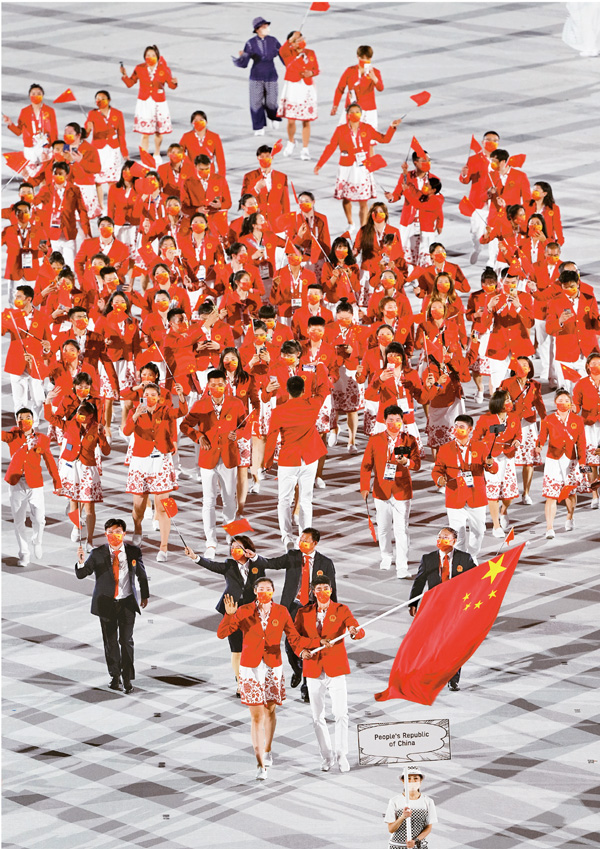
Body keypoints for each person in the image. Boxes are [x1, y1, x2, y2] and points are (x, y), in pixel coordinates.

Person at [217, 577, 316, 780]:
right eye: (261, 589)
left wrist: (303, 651)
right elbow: (222, 633)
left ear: (273, 591)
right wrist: (229, 615)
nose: (264, 592)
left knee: (270, 710)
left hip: (272, 666)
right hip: (250, 668)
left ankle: (268, 749)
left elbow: (293, 638)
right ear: (255, 591)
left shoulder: (281, 611)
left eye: (268, 589)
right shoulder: (243, 611)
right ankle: (260, 762)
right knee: (256, 717)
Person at [294, 575, 363, 771]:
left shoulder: (341, 610)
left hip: (336, 668)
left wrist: (354, 631)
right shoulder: (303, 613)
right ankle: (327, 756)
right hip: (313, 669)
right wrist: (301, 651)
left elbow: (358, 630)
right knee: (317, 717)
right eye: (318, 589)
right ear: (313, 592)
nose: (323, 592)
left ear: (331, 590)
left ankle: (342, 754)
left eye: (326, 588)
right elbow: (294, 638)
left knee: (341, 713)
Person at [184, 536, 267, 696]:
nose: (234, 550)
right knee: (237, 649)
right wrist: (195, 557)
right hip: (232, 610)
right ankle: (240, 683)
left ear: (247, 549)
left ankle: (255, 679)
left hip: (252, 611)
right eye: (232, 547)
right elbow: (211, 565)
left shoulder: (258, 565)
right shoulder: (229, 565)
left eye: (237, 547)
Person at [263, 527, 338, 702]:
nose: (301, 543)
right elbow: (272, 563)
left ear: (315, 543)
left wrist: (332, 614)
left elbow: (331, 590)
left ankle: (306, 686)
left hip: (312, 608)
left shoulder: (326, 563)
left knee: (309, 648)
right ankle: (297, 670)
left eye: (305, 540)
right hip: (293, 607)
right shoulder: (293, 556)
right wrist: (253, 558)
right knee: (290, 646)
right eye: (300, 539)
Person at [75, 518, 149, 694]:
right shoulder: (97, 553)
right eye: (110, 532)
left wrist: (145, 595)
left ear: (124, 533)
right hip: (106, 604)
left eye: (117, 532)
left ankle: (127, 679)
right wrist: (81, 562)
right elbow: (82, 574)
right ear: (105, 534)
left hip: (127, 603)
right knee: (110, 643)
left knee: (126, 641)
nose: (114, 535)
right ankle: (115, 676)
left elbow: (141, 574)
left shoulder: (133, 551)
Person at [179, 370, 246, 558]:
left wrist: (237, 434)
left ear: (226, 384)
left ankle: (231, 535)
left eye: (220, 384)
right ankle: (211, 542)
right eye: (213, 385)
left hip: (229, 457)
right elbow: (184, 425)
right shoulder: (200, 405)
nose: (217, 388)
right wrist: (198, 436)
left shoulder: (236, 403)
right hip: (208, 458)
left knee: (229, 499)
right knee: (208, 501)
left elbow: (245, 426)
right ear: (208, 386)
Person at [123, 381, 188, 560]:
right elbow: (127, 431)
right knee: (138, 506)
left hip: (160, 461)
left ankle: (163, 547)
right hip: (141, 462)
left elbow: (181, 412)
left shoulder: (165, 410)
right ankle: (138, 529)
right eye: (147, 395)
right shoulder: (135, 411)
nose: (150, 398)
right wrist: (135, 417)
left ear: (159, 397)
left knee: (162, 507)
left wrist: (181, 397)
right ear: (142, 396)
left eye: (153, 395)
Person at [409, 527, 477, 690]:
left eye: (445, 537)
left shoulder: (465, 558)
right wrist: (413, 603)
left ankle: (453, 678)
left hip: (456, 608)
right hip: (434, 608)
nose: (441, 540)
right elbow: (419, 581)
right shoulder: (428, 559)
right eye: (439, 536)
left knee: (454, 644)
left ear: (454, 541)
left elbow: (477, 578)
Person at [314, 103, 401, 231]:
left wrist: (392, 127)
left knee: (363, 200)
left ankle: (363, 227)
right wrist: (320, 164)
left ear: (361, 114)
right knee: (346, 198)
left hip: (363, 167)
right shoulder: (340, 130)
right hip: (346, 167)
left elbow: (384, 139)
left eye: (357, 112)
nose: (355, 114)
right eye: (352, 112)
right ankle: (350, 222)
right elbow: (331, 147)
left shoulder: (367, 128)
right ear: (347, 115)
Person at [264, 375, 326, 550]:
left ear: (287, 390)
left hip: (289, 460)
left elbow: (271, 437)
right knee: (306, 500)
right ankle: (305, 537)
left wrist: (267, 462)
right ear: (303, 390)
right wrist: (317, 370)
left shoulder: (278, 411)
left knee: (284, 500)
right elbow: (323, 389)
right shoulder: (312, 404)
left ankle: (286, 537)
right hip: (309, 459)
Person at [360, 405, 421, 577]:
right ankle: (386, 556)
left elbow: (417, 464)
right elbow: (366, 465)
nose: (394, 423)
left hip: (402, 490)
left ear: (402, 421)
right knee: (384, 527)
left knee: (401, 530)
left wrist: (407, 463)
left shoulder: (410, 440)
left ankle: (402, 566)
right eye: (391, 420)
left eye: (398, 420)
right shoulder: (375, 440)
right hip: (381, 490)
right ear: (385, 421)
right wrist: (364, 487)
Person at [2, 407, 61, 567]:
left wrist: (57, 482)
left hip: (35, 485)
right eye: (20, 418)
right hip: (16, 484)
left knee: (40, 520)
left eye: (27, 417)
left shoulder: (42, 439)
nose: (24, 421)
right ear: (17, 421)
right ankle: (24, 554)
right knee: (18, 521)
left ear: (33, 420)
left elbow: (50, 462)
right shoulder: (13, 436)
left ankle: (37, 540)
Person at [433, 414, 497, 558]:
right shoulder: (445, 448)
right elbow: (437, 470)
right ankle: (461, 561)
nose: (457, 429)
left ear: (470, 430)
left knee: (479, 531)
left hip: (476, 496)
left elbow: (493, 469)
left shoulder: (481, 447)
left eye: (461, 427)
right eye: (455, 426)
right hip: (455, 497)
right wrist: (439, 479)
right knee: (457, 534)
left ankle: (472, 556)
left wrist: (490, 464)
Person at [539, 389, 588, 538]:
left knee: (570, 493)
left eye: (566, 401)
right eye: (560, 400)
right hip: (553, 460)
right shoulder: (548, 419)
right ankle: (549, 527)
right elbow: (542, 437)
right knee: (551, 495)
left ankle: (569, 516)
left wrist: (582, 462)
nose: (563, 403)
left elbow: (581, 443)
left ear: (571, 403)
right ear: (555, 402)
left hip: (570, 460)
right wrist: (539, 445)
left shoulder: (577, 420)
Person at [120, 45, 178, 158]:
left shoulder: (164, 69)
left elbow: (171, 85)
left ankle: (156, 153)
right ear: (144, 57)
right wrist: (124, 75)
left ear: (157, 56)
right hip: (145, 103)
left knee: (158, 132)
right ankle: (145, 156)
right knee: (145, 133)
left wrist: (175, 83)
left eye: (153, 55)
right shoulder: (139, 68)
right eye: (148, 55)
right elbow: (130, 83)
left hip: (159, 103)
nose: (150, 57)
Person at [233, 16, 283, 135]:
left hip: (271, 75)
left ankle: (273, 117)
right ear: (257, 29)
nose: (266, 28)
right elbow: (244, 63)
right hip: (256, 76)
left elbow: (283, 54)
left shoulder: (273, 41)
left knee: (272, 101)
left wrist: (292, 63)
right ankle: (258, 126)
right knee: (255, 102)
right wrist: (242, 56)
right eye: (263, 26)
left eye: (267, 26)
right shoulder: (250, 43)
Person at [278, 31, 319, 160]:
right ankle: (291, 141)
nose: (301, 41)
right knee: (291, 120)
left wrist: (311, 73)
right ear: (292, 43)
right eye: (298, 40)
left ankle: (305, 149)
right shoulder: (288, 53)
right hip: (293, 87)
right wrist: (290, 40)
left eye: (302, 38)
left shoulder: (310, 53)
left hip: (306, 88)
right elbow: (281, 50)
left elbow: (316, 69)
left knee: (306, 120)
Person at [85, 89, 128, 211]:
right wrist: (88, 129)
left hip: (113, 150)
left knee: (112, 180)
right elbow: (85, 134)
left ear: (109, 100)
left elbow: (121, 134)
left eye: (102, 98)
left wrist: (124, 152)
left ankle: (111, 206)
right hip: (98, 150)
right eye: (97, 99)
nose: (100, 101)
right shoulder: (92, 114)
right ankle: (100, 206)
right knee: (98, 180)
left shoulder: (117, 114)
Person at [2, 83, 58, 175]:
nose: (36, 96)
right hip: (30, 148)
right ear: (29, 96)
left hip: (45, 147)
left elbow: (54, 131)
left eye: (39, 93)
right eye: (33, 94)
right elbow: (18, 132)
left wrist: (55, 149)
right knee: (30, 175)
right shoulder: (25, 112)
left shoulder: (49, 111)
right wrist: (10, 123)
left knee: (45, 174)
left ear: (43, 95)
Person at [331, 45, 384, 129]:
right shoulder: (350, 71)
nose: (365, 61)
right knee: (345, 134)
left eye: (368, 59)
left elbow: (380, 88)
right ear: (358, 57)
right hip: (351, 108)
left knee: (368, 135)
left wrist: (374, 78)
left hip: (368, 109)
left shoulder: (375, 72)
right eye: (362, 58)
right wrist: (335, 105)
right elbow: (340, 88)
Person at [384, 767, 437, 849]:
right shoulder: (395, 801)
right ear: (403, 781)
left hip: (419, 846)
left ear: (420, 780)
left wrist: (415, 841)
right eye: (408, 778)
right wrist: (403, 817)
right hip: (397, 846)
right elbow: (391, 829)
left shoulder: (428, 801)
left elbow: (428, 827)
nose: (412, 781)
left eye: (415, 778)